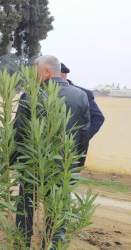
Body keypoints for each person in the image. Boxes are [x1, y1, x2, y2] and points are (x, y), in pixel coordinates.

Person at [14, 55, 90, 245]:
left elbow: (19, 131)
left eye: (35, 70)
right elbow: (83, 133)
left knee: (26, 205)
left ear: (47, 71)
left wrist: (13, 159)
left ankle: (21, 245)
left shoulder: (31, 95)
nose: (33, 75)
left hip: (33, 164)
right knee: (57, 210)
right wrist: (78, 164)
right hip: (64, 164)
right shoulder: (80, 95)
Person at [61, 63, 105, 167]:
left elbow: (98, 118)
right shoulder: (43, 91)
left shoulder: (83, 93)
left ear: (63, 75)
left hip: (70, 150)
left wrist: (81, 139)